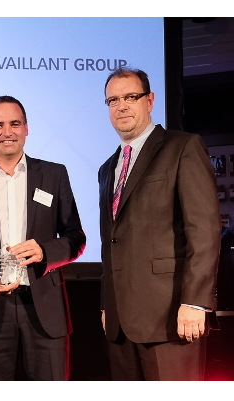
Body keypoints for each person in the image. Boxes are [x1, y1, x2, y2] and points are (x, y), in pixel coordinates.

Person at [0, 95, 86, 380]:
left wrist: (45, 252)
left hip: (44, 305)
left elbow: (76, 238)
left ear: (26, 128)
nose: (7, 132)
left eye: (14, 123)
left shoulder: (54, 174)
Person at [98, 67, 220, 380]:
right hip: (120, 323)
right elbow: (111, 242)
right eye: (113, 100)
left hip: (172, 318)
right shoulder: (107, 168)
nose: (121, 106)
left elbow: (204, 231)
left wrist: (195, 302)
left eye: (130, 97)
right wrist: (107, 303)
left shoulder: (183, 147)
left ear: (150, 100)